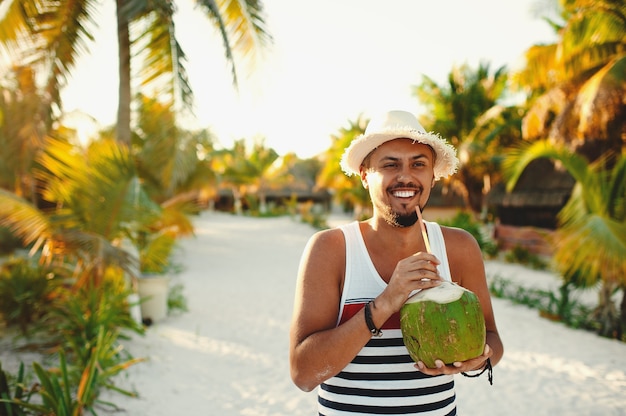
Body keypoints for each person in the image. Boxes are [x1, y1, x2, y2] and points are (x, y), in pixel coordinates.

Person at [289, 110, 504, 415]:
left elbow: (493, 341)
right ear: (365, 175)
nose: (406, 176)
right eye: (390, 165)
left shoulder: (458, 248)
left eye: (419, 164)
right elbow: (304, 373)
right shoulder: (332, 249)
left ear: (432, 176)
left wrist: (478, 360)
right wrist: (385, 303)